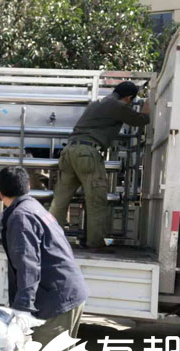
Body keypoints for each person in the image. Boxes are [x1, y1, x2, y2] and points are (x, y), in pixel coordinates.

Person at [0, 166, 89, 351]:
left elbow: (28, 265)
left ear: (0, 193)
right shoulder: (35, 208)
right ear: (27, 187)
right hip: (70, 292)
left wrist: (23, 308)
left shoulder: (20, 217)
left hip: (55, 297)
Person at [49, 81, 150, 249]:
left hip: (69, 151)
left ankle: (50, 239)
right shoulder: (117, 105)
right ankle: (95, 243)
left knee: (60, 200)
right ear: (128, 98)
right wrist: (147, 107)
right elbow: (140, 120)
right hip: (87, 153)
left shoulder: (98, 103)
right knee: (97, 199)